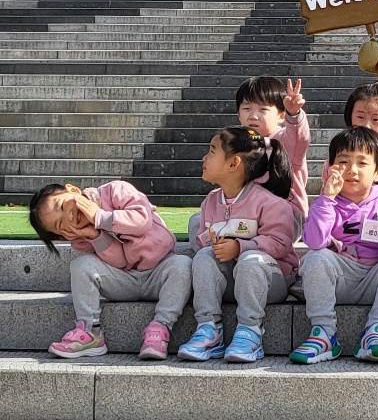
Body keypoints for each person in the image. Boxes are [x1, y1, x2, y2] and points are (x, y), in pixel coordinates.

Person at [292, 127, 378, 365]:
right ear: (330, 167)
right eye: (343, 162)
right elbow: (315, 241)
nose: (351, 170)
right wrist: (327, 198)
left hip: (375, 280)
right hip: (340, 279)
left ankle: (375, 332)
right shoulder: (326, 203)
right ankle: (324, 334)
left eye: (361, 163)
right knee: (315, 258)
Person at [30, 180, 191, 361]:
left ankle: (160, 328)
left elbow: (142, 221)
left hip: (159, 270)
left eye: (61, 205)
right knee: (81, 265)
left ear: (73, 190)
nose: (68, 216)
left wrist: (100, 217)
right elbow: (119, 261)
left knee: (182, 264)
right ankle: (90, 332)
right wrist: (95, 236)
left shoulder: (115, 191)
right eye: (60, 224)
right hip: (122, 280)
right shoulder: (81, 238)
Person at [180, 127, 297, 364]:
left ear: (234, 163)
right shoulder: (211, 201)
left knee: (250, 261)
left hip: (270, 281)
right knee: (204, 257)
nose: (204, 158)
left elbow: (280, 243)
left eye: (212, 151)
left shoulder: (270, 203)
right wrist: (211, 243)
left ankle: (250, 331)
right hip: (232, 280)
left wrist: (240, 247)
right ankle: (209, 329)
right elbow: (203, 238)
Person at [235, 74, 310, 217]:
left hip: (287, 213)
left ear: (281, 116)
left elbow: (300, 138)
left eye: (263, 110)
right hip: (247, 214)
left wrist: (293, 114)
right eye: (247, 108)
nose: (253, 116)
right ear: (238, 115)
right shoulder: (236, 143)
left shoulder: (284, 140)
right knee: (198, 220)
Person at [321, 81, 378, 196]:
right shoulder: (339, 152)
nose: (367, 125)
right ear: (350, 115)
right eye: (360, 117)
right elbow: (327, 192)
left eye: (375, 119)